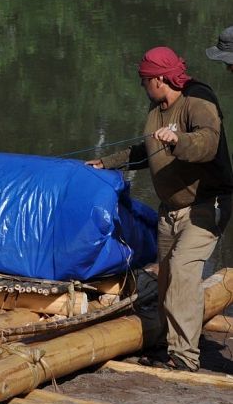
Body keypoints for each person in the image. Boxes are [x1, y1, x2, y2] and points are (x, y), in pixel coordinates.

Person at [86, 46, 233, 372]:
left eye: (144, 80)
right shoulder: (157, 109)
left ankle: (184, 357)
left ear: (160, 79)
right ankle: (168, 343)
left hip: (208, 205)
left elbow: (208, 142)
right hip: (171, 209)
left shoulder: (198, 101)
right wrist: (106, 163)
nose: (142, 86)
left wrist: (178, 142)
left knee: (182, 269)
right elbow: (146, 150)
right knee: (167, 277)